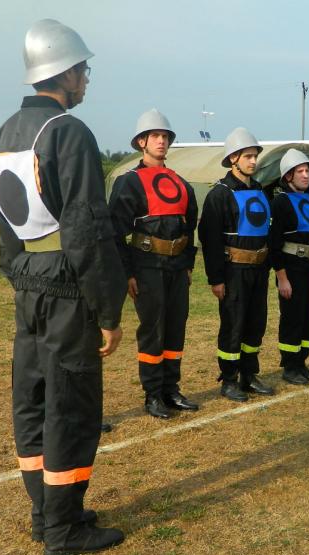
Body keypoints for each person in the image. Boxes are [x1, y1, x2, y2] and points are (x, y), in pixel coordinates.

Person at [0, 19, 128, 555]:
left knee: (32, 398)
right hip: (67, 287)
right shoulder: (68, 132)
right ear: (65, 73)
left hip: (29, 282)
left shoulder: (5, 133)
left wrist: (20, 275)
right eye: (83, 70)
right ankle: (65, 528)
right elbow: (87, 228)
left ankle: (45, 513)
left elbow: (4, 222)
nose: (86, 79)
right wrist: (108, 310)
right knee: (69, 403)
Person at [108, 109, 200, 419]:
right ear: (141, 142)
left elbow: (190, 227)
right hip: (146, 267)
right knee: (153, 330)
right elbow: (115, 232)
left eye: (165, 136)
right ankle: (153, 394)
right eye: (155, 136)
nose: (161, 141)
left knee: (176, 327)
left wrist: (187, 265)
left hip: (177, 268)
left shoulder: (182, 183)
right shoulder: (129, 182)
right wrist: (127, 273)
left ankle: (171, 389)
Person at [198, 127, 275, 402]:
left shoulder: (261, 191)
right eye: (248, 156)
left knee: (256, 324)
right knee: (233, 325)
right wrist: (216, 279)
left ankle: (249, 375)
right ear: (233, 159)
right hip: (233, 272)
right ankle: (229, 379)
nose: (253, 161)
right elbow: (210, 240)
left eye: (255, 156)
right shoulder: (219, 194)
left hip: (258, 271)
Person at [269, 148, 309, 385]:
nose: (306, 175)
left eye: (307, 171)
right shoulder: (280, 202)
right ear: (288, 176)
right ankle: (290, 366)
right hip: (291, 269)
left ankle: (302, 362)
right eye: (300, 171)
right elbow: (274, 244)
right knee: (292, 318)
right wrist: (282, 278)